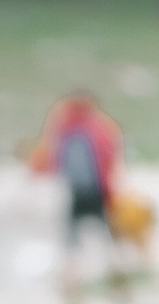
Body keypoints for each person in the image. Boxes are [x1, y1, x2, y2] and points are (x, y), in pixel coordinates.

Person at [29, 92, 124, 291]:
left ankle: (71, 276)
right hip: (98, 191)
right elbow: (110, 158)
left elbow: (50, 158)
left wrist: (34, 175)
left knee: (72, 237)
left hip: (75, 191)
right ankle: (115, 272)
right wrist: (111, 189)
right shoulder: (99, 128)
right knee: (107, 233)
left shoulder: (63, 128)